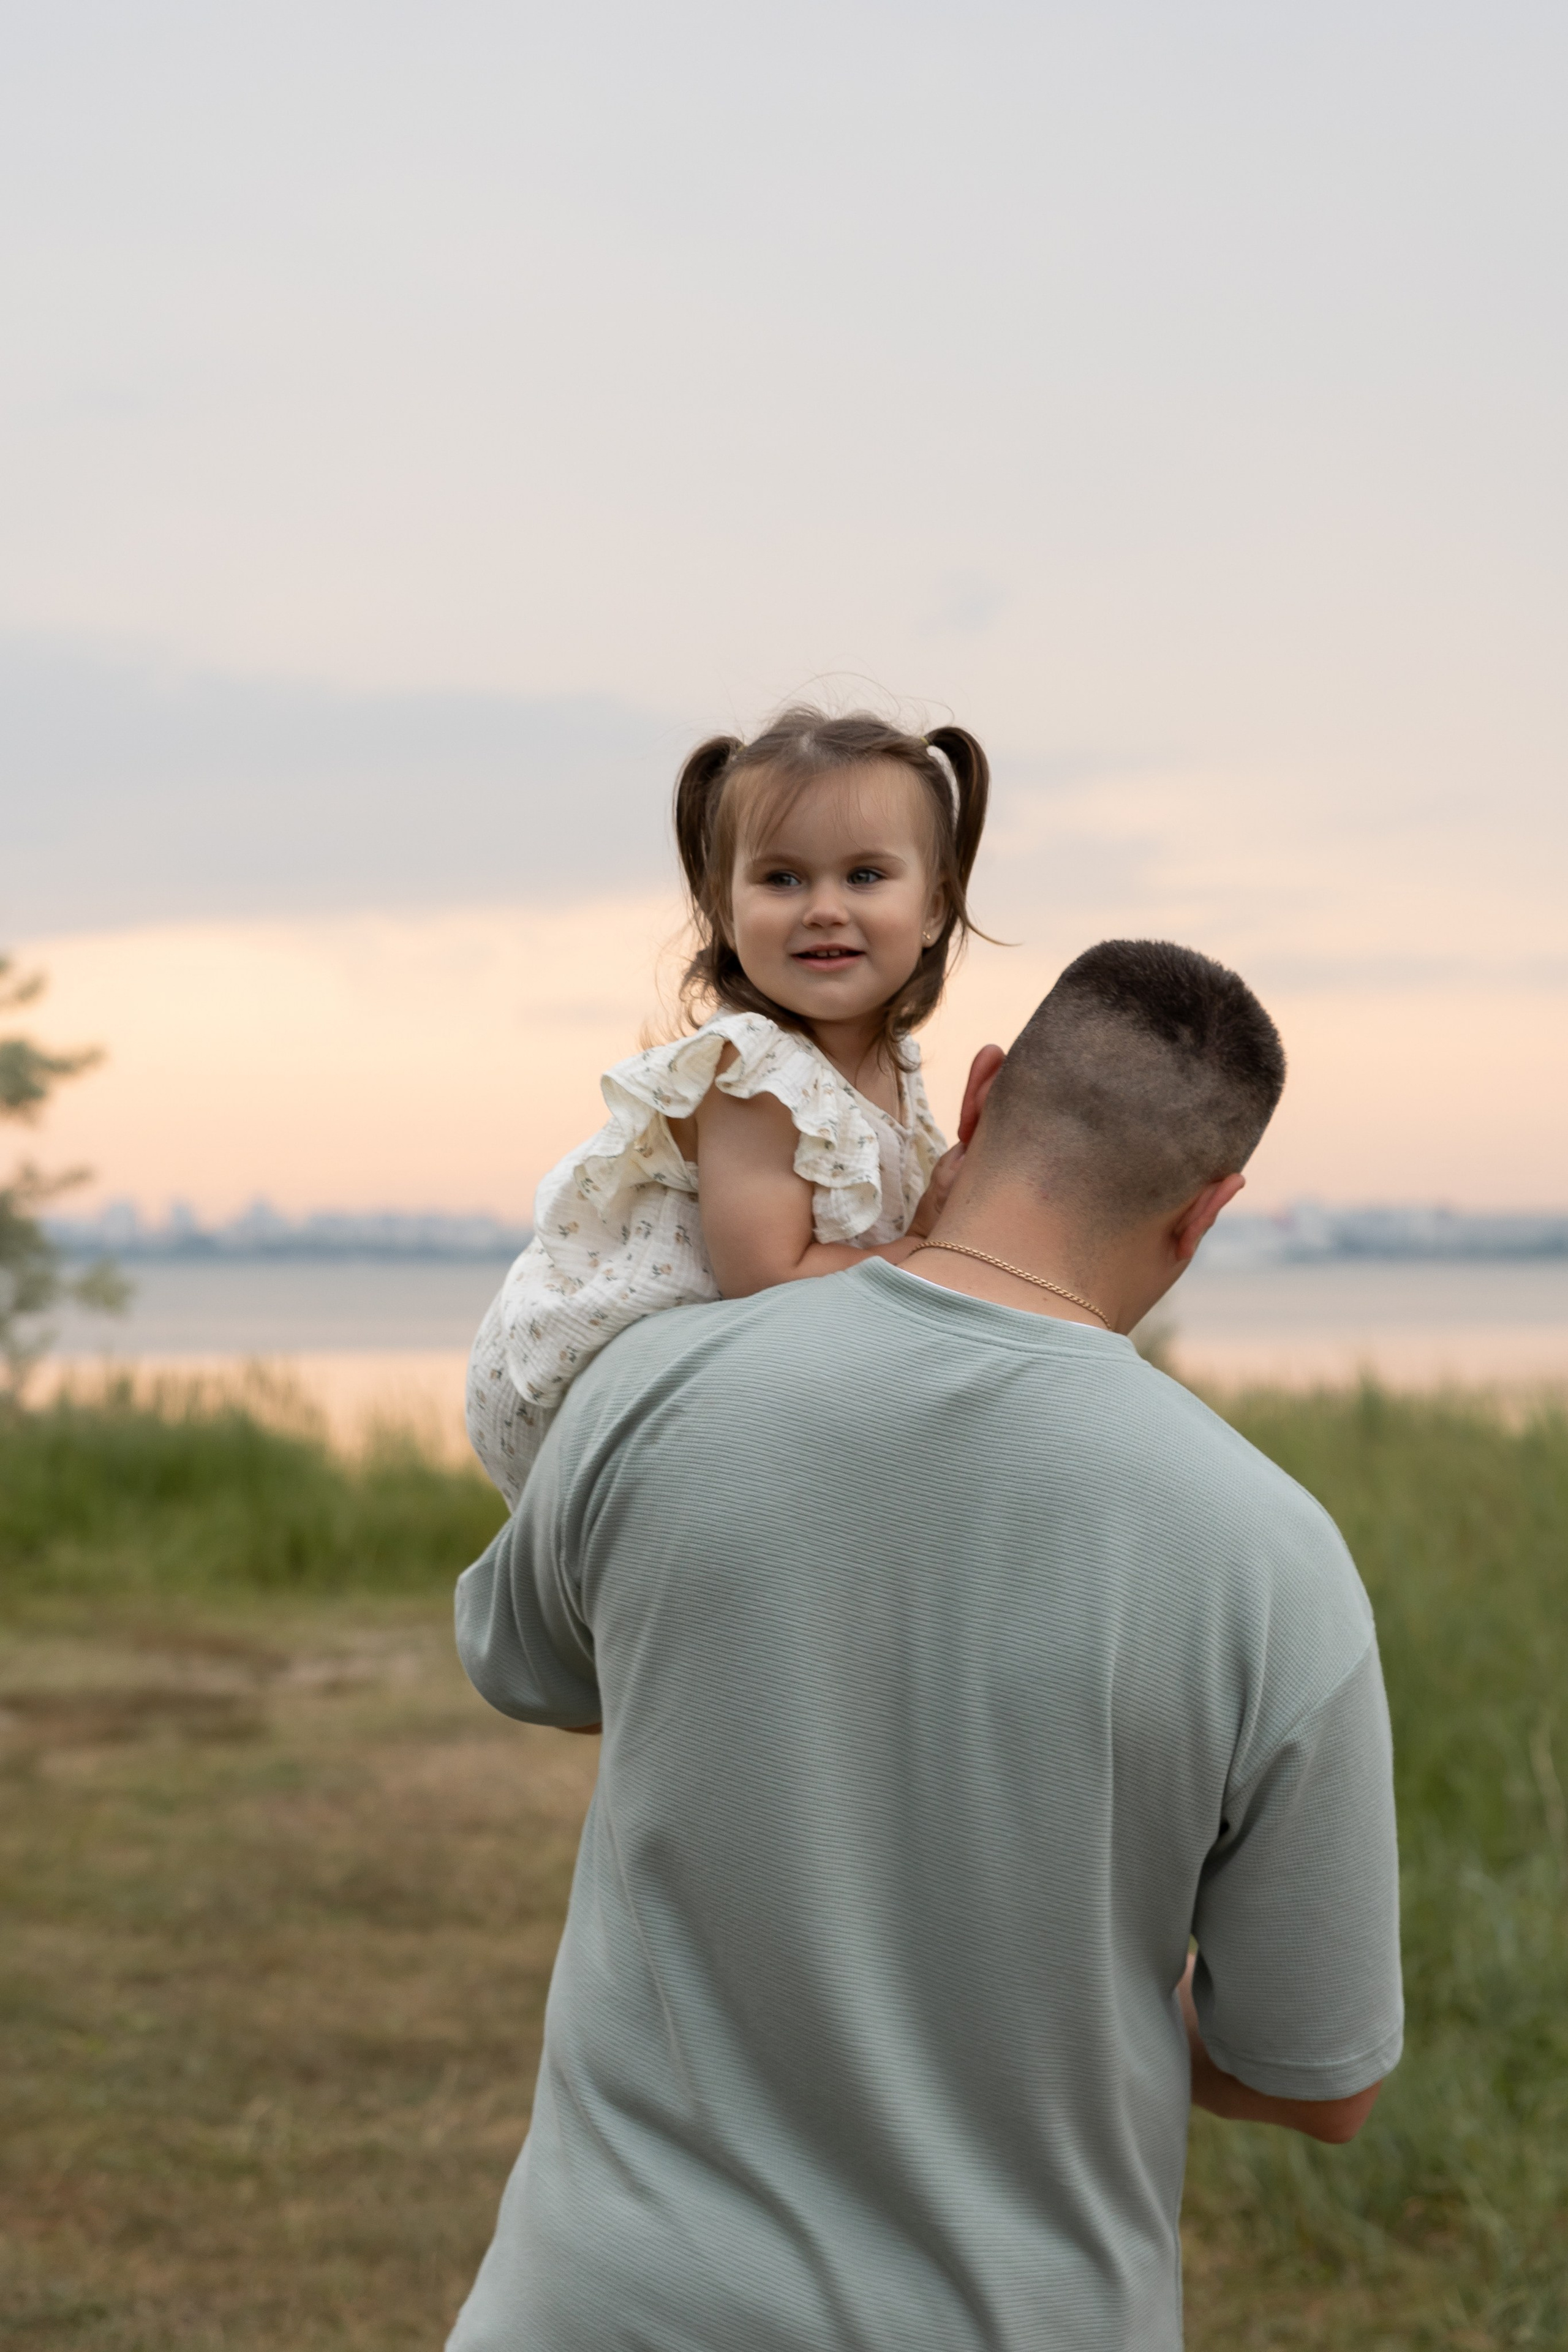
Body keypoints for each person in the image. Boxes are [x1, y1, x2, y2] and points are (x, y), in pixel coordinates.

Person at [448, 940, 1404, 2352]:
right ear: (1207, 1213)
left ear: (976, 1093)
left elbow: (532, 1663)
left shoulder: (652, 1384)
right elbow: (1314, 2078)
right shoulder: (1275, 1559)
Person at [466, 705, 989, 1504]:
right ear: (723, 907)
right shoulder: (757, 1075)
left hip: (716, 1364)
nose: (822, 907)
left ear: (934, 906)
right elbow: (771, 1279)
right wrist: (923, 1247)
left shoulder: (896, 1065)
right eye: (781, 879)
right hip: (584, 1372)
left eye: (865, 876)